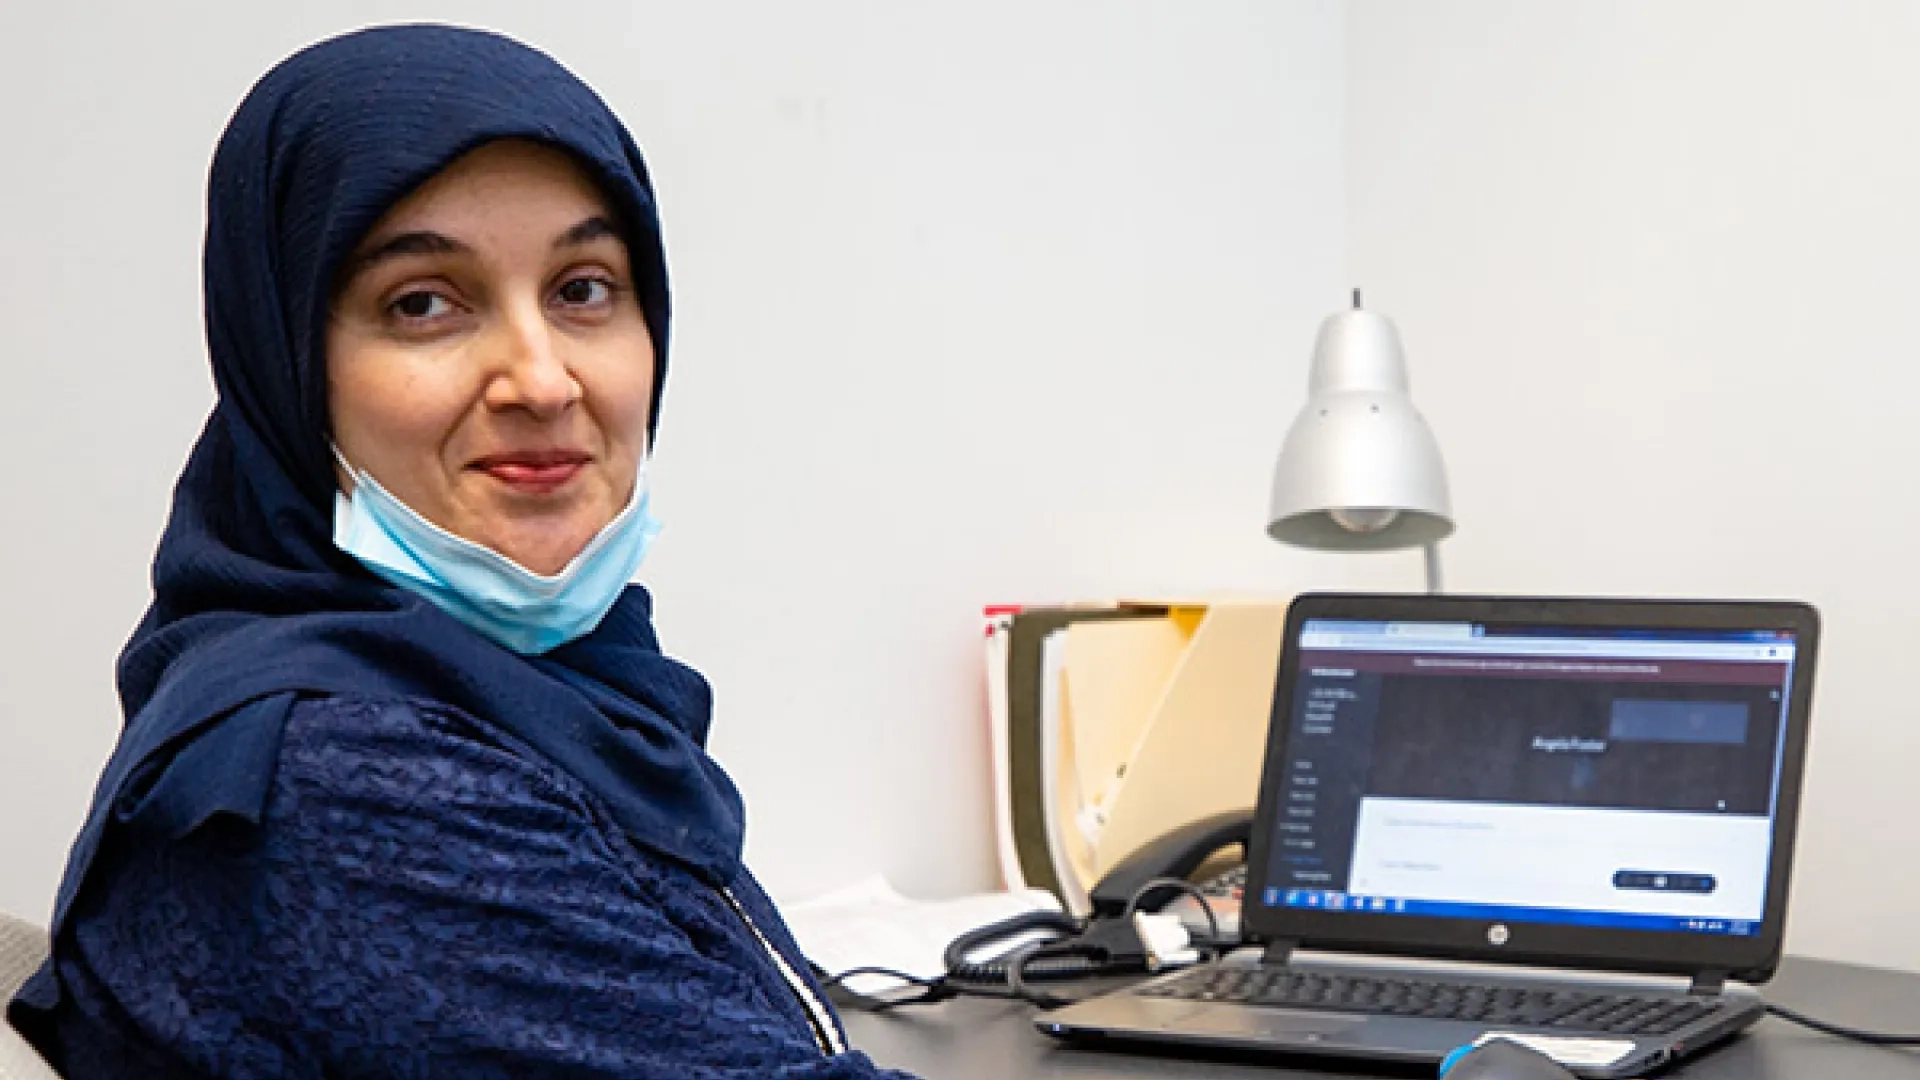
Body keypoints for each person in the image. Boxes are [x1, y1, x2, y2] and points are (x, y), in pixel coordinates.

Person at [8, 24, 917, 1080]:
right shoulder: (341, 781)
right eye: (424, 304)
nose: (540, 379)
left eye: (583, 289)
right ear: (292, 367)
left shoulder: (535, 696)